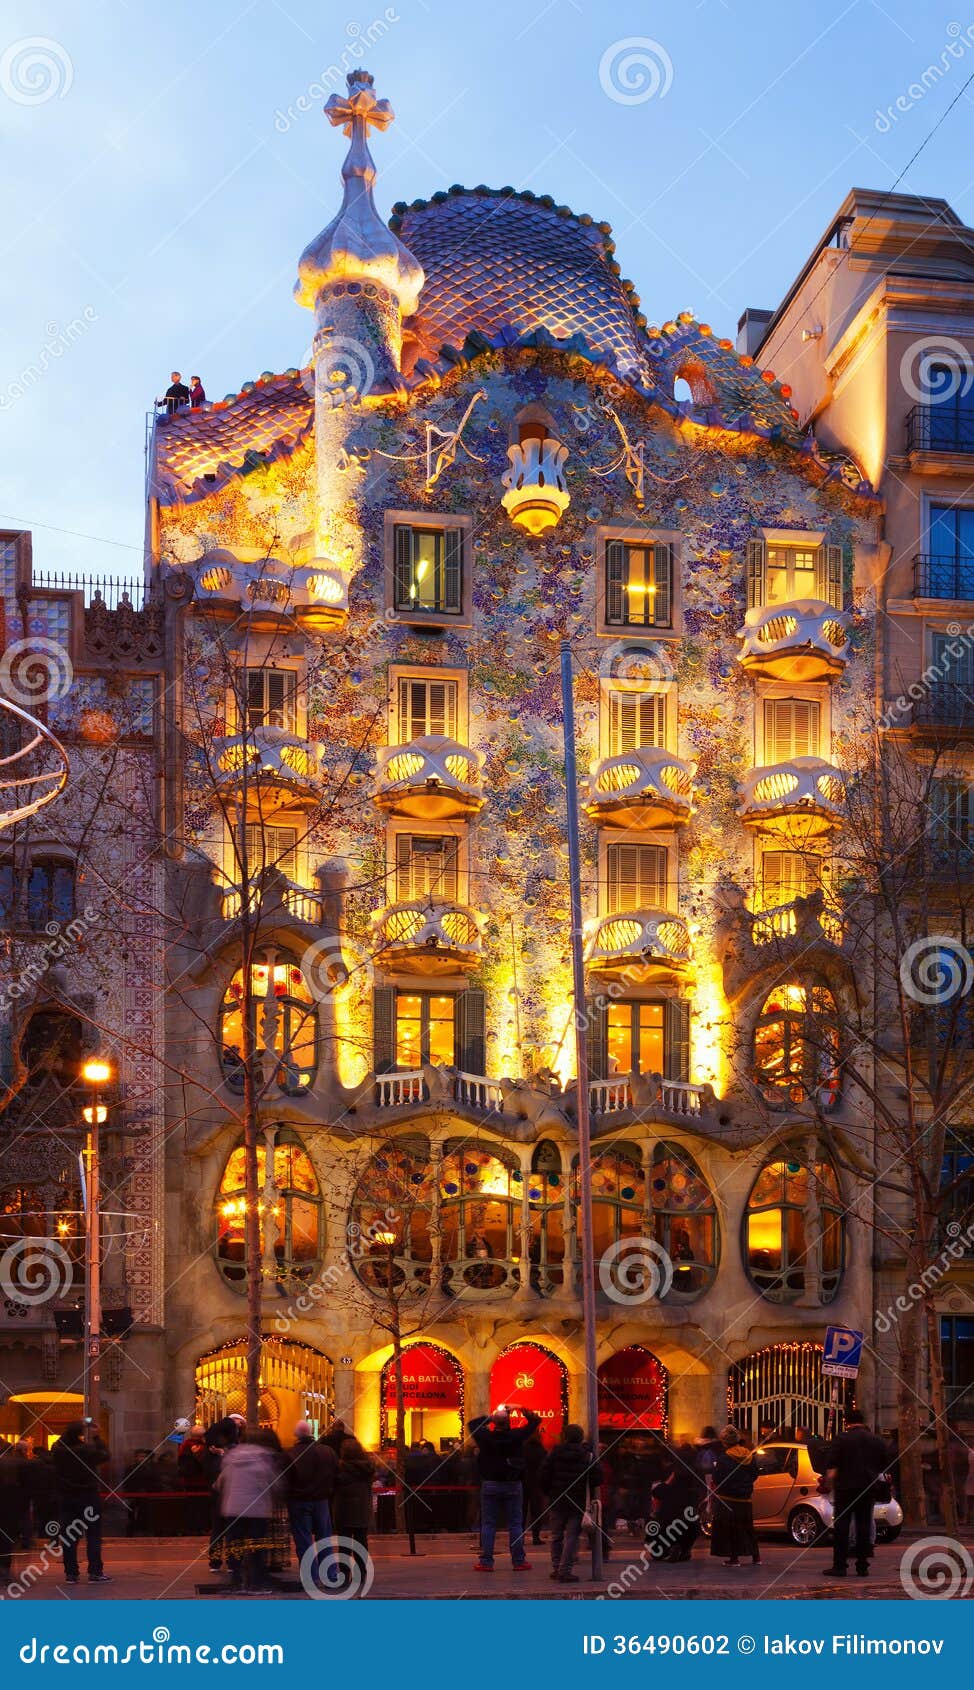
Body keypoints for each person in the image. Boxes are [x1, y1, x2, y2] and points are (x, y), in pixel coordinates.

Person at [467, 1404, 540, 1572]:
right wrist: (521, 1408)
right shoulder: (516, 1436)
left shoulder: (485, 1437)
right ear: (509, 1422)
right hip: (513, 1484)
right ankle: (518, 1561)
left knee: (488, 1524)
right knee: (515, 1524)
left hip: (490, 1483)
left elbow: (472, 1424)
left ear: (494, 1422)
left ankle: (486, 1561)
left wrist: (492, 1416)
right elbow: (535, 1422)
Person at [822, 1412, 889, 1579]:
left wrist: (829, 1484)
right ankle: (862, 1566)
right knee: (864, 1525)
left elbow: (832, 1465)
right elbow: (884, 1464)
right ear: (863, 1422)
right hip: (868, 1487)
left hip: (845, 1488)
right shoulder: (876, 1440)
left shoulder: (842, 1439)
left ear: (846, 1422)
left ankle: (840, 1566)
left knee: (842, 1527)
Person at [215, 1429, 282, 1593]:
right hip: (257, 1510)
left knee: (235, 1546)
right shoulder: (263, 1458)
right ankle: (255, 1583)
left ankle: (236, 1580)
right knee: (256, 1547)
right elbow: (274, 1483)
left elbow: (218, 1484)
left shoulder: (232, 1458)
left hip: (233, 1509)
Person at [540, 1423, 602, 1583]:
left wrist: (549, 1492)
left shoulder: (555, 1452)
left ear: (565, 1436)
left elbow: (544, 1474)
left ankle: (556, 1568)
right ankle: (565, 1570)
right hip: (578, 1500)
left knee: (556, 1536)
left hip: (557, 1499)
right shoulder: (587, 1455)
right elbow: (597, 1478)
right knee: (572, 1536)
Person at [52, 1420, 111, 1584]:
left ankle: (71, 1573)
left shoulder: (58, 1451)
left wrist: (73, 1430)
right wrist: (96, 1436)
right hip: (88, 1496)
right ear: (80, 1434)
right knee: (93, 1535)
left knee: (69, 1537)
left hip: (67, 1497)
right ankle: (95, 1572)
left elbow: (61, 1442)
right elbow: (105, 1455)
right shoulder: (86, 1450)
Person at [284, 1420, 337, 1565]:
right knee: (324, 1538)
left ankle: (310, 1574)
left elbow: (286, 1479)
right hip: (322, 1499)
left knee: (303, 1539)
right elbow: (335, 1473)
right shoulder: (327, 1451)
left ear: (296, 1435)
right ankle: (329, 1573)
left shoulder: (291, 1454)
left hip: (299, 1500)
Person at [710, 1425, 759, 1567]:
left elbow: (717, 1478)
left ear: (725, 1442)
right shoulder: (749, 1455)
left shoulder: (724, 1458)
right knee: (748, 1529)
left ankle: (734, 1559)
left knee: (731, 1530)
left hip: (728, 1499)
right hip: (745, 1499)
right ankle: (756, 1557)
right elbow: (755, 1474)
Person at [203, 1414, 244, 1572]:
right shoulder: (231, 1451)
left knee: (217, 1529)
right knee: (233, 1530)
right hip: (232, 1494)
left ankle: (215, 1562)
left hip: (216, 1495)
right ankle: (233, 1562)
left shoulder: (210, 1452)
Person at [333, 1435, 375, 1587]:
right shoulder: (367, 1468)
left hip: (344, 1510)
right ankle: (362, 1573)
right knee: (361, 1542)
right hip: (362, 1509)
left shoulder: (340, 1468)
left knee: (344, 1545)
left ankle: (344, 1575)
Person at [648, 1446, 702, 1562]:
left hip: (669, 1525)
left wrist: (668, 1481)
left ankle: (674, 1546)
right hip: (690, 1525)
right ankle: (684, 1549)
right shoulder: (695, 1476)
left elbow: (657, 1492)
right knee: (689, 1524)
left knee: (657, 1551)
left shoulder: (673, 1475)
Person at [522, 1423, 547, 1546]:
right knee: (536, 1511)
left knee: (521, 1511)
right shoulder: (541, 1450)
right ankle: (536, 1537)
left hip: (523, 1482)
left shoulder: (522, 1448)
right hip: (536, 1483)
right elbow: (545, 1467)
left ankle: (519, 1537)